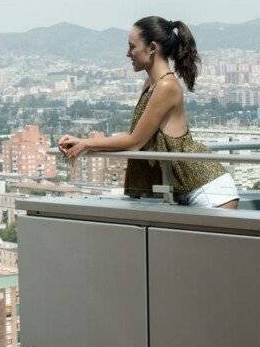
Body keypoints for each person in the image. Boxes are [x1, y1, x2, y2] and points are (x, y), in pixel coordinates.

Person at [58, 16, 239, 209]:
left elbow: (135, 141)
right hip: (187, 189)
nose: (128, 54)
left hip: (208, 191)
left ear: (152, 48)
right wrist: (83, 143)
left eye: (132, 47)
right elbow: (136, 138)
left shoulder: (166, 86)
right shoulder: (152, 84)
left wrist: (85, 143)